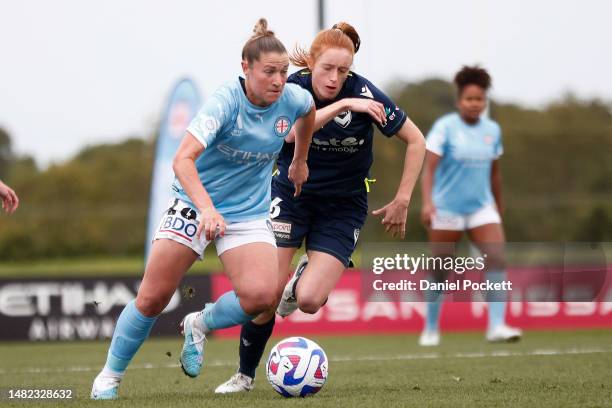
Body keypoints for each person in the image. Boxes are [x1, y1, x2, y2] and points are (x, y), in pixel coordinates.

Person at [90, 18, 315, 400]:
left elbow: (308, 113)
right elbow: (183, 160)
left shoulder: (292, 99)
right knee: (153, 297)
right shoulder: (225, 101)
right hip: (195, 205)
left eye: (283, 72)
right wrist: (207, 209)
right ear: (246, 68)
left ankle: (199, 322)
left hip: (247, 213)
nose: (279, 81)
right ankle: (109, 377)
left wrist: (300, 161)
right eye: (269, 72)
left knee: (263, 296)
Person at [212, 22, 426, 393]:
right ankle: (244, 376)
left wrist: (403, 198)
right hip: (290, 196)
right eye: (327, 68)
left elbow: (417, 140)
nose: (335, 78)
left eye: (343, 71)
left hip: (343, 207)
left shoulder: (365, 92)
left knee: (309, 301)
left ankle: (302, 278)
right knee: (266, 296)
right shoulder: (292, 87)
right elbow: (292, 134)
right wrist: (344, 105)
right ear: (311, 63)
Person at [418, 65, 522, 346]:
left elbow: (495, 173)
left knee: (497, 259)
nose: (475, 104)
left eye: (480, 99)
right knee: (441, 267)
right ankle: (430, 328)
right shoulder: (445, 128)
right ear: (459, 101)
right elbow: (428, 170)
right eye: (469, 99)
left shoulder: (493, 130)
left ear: (485, 101)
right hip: (447, 208)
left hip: (481, 207)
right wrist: (427, 203)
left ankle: (497, 325)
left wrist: (499, 206)